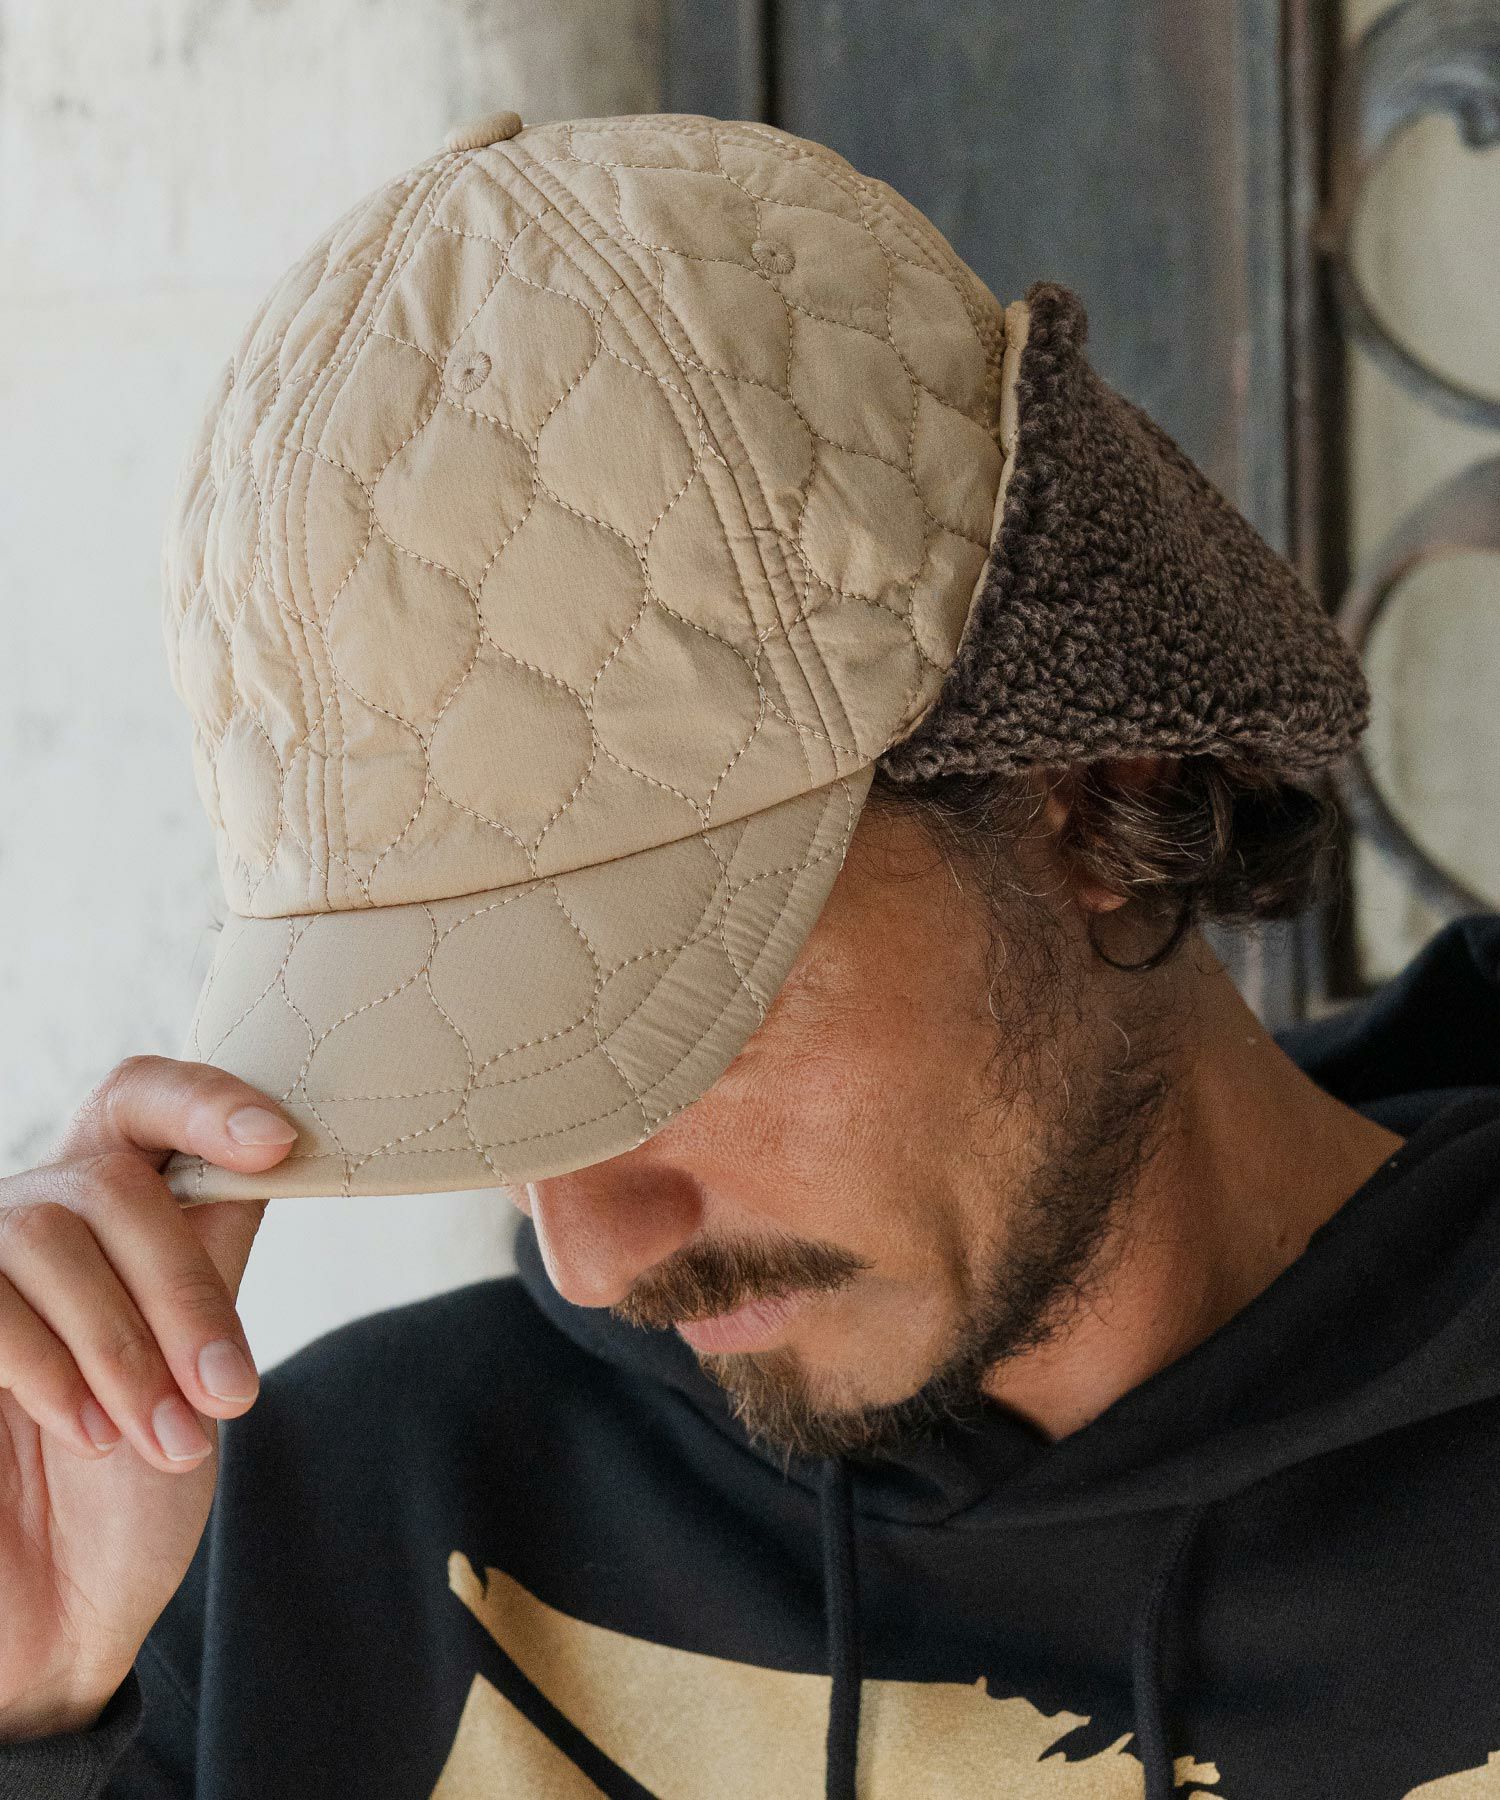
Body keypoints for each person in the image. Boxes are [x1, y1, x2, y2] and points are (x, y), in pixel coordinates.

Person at [2, 111, 1498, 1800]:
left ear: (1093, 794)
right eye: (486, 1076)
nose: (589, 1254)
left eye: (667, 1014)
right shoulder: (305, 1549)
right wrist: (30, 1705)